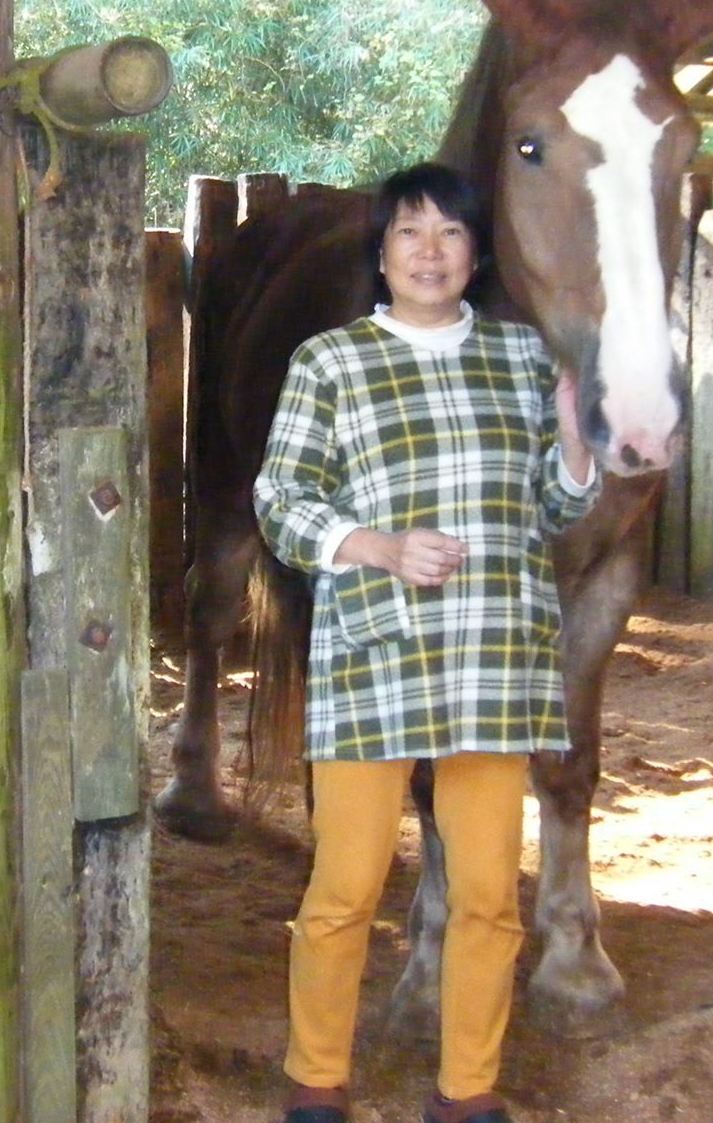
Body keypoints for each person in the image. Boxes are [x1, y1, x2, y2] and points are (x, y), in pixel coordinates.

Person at [253, 162, 599, 1123]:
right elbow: (281, 499)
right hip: (377, 656)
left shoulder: (522, 358)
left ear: (476, 254)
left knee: (488, 893)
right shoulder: (331, 361)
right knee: (345, 886)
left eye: (451, 232)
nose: (430, 251)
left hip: (493, 657)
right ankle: (317, 1078)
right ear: (382, 253)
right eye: (410, 232)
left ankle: (467, 1090)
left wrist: (575, 445)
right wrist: (379, 547)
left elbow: (554, 507)